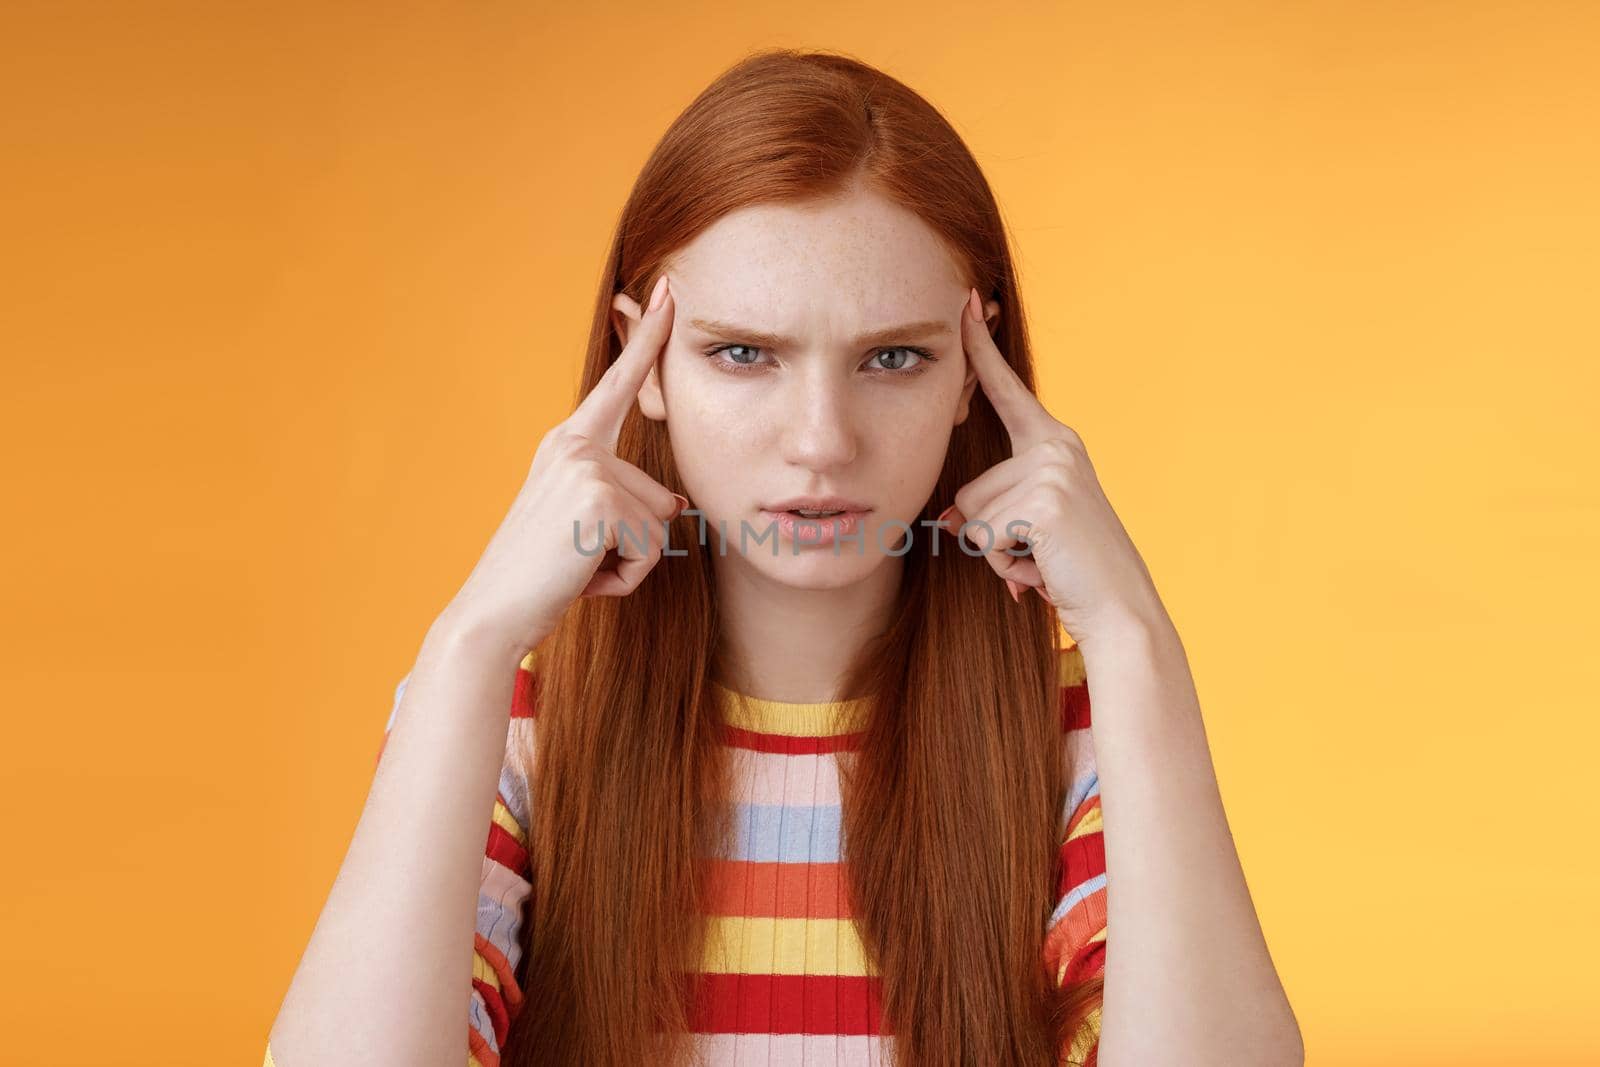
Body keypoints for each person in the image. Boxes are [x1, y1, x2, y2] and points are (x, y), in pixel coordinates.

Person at [264, 48, 1303, 1067]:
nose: (820, 439)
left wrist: (1133, 636)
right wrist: (470, 642)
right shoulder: (496, 713)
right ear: (648, 365)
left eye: (892, 357)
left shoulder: (1084, 722)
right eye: (743, 354)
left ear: (969, 373)